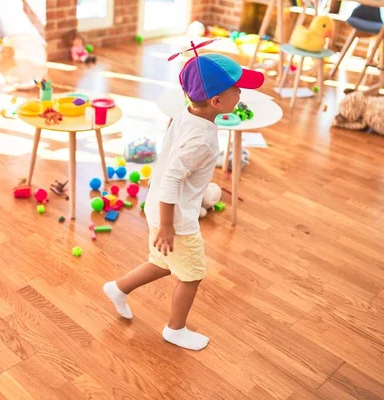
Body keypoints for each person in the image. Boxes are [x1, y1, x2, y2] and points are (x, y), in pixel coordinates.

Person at [103, 52, 264, 351]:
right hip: (175, 217)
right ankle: (174, 330)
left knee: (163, 263)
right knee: (192, 275)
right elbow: (171, 180)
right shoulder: (202, 139)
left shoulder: (187, 112)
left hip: (159, 207)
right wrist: (167, 226)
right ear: (216, 102)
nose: (241, 92)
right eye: (236, 88)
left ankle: (118, 288)